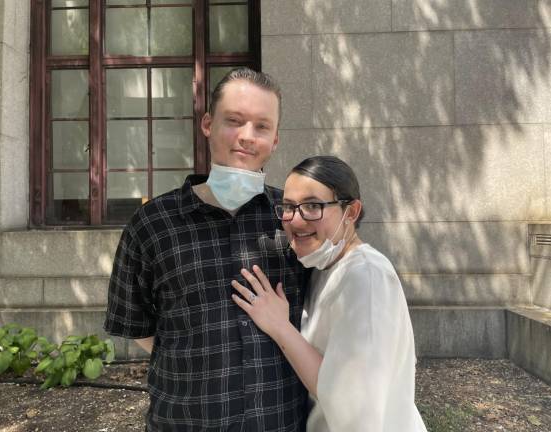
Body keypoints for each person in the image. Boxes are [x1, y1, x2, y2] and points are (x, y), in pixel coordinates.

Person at [104, 68, 308, 431]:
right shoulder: (152, 224)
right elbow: (136, 325)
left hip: (280, 421)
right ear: (208, 124)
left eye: (262, 126)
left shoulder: (296, 220)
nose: (247, 136)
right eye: (234, 120)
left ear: (275, 139)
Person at [231, 156, 428, 432]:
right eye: (288, 207)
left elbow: (351, 401)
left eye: (313, 206)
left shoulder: (366, 275)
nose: (295, 220)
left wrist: (279, 327)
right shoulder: (323, 267)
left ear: (351, 212)